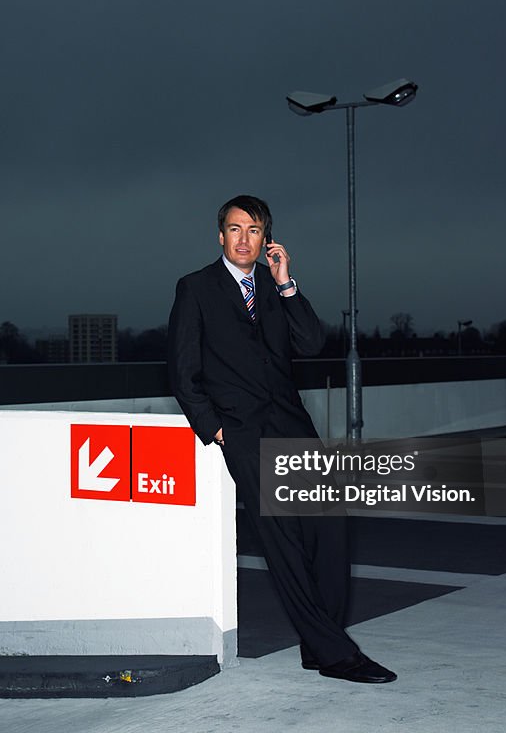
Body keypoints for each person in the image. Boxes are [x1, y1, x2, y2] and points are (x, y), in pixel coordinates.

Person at [167, 194, 396, 683]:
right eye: (234, 229)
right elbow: (183, 372)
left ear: (266, 238)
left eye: (253, 230)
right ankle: (336, 654)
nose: (243, 238)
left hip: (293, 427)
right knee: (285, 545)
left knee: (331, 528)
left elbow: (312, 343)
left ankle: (320, 642)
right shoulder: (196, 288)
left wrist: (287, 283)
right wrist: (216, 429)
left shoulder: (274, 288)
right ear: (220, 235)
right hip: (244, 434)